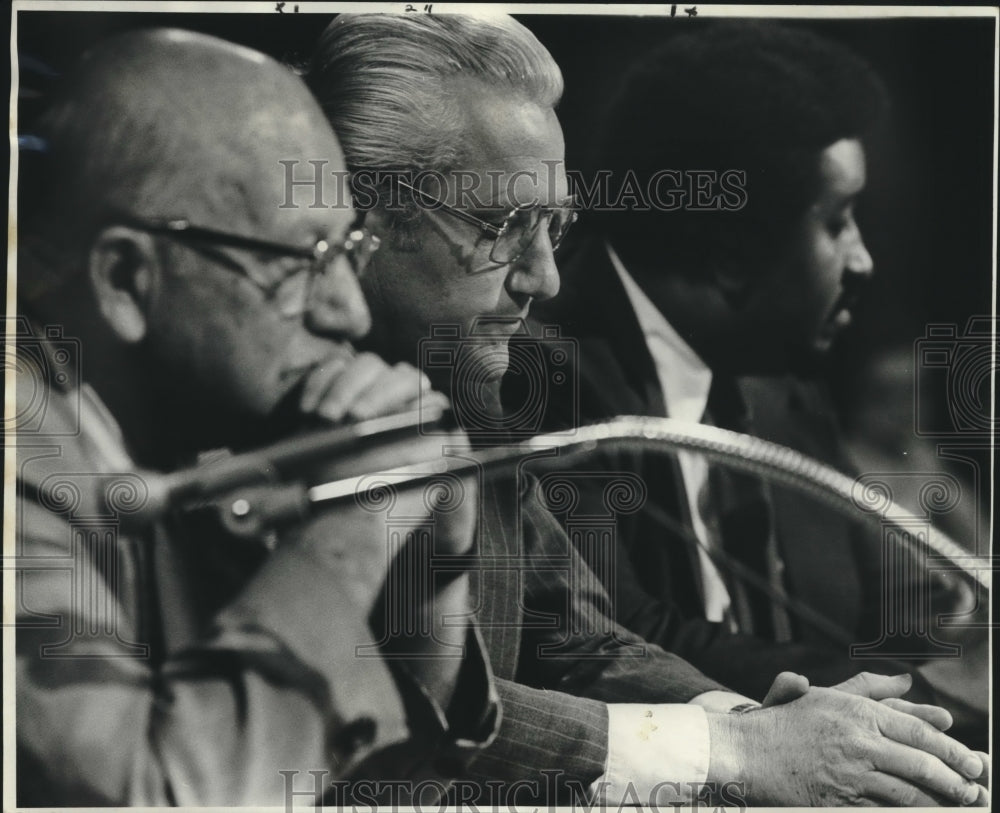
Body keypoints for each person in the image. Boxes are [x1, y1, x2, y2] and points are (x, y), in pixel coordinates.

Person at [303, 12, 988, 806]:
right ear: (361, 217)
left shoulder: (465, 391)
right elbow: (410, 719)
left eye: (554, 225)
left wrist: (764, 725)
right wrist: (731, 748)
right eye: (504, 226)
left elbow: (578, 634)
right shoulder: (260, 413)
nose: (545, 277)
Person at [13, 28, 500, 806]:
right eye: (304, 262)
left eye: (350, 249)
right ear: (126, 279)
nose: (347, 312)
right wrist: (349, 530)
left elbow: (387, 794)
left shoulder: (197, 433)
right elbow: (152, 795)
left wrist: (430, 571)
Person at [510, 20, 987, 743]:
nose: (862, 261)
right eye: (838, 221)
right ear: (730, 255)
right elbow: (621, 631)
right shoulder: (532, 376)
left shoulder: (780, 387)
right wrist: (937, 707)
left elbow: (910, 611)